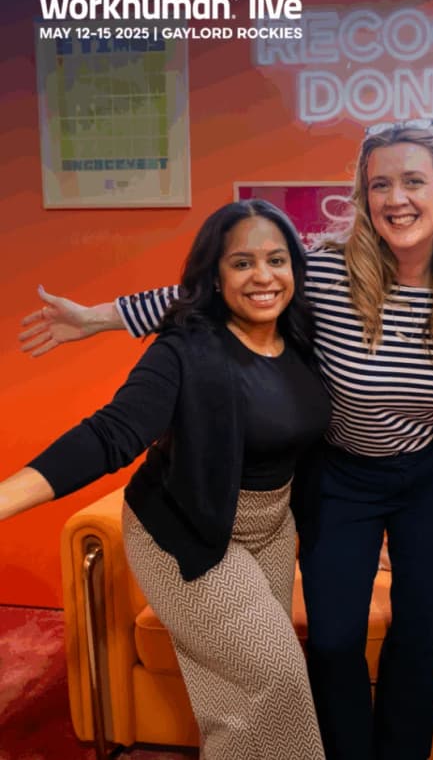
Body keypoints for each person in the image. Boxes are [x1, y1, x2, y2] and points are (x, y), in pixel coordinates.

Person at [18, 121, 433, 760]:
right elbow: (217, 290)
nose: (396, 198)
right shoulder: (329, 272)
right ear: (364, 198)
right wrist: (99, 317)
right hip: (340, 477)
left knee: (420, 631)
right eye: (379, 183)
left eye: (413, 181)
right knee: (332, 639)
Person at [4, 199, 330, 760]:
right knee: (279, 680)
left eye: (277, 260)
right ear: (215, 275)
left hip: (271, 531)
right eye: (242, 263)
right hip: (186, 535)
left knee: (238, 706)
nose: (263, 277)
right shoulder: (185, 348)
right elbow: (111, 433)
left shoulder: (302, 337)